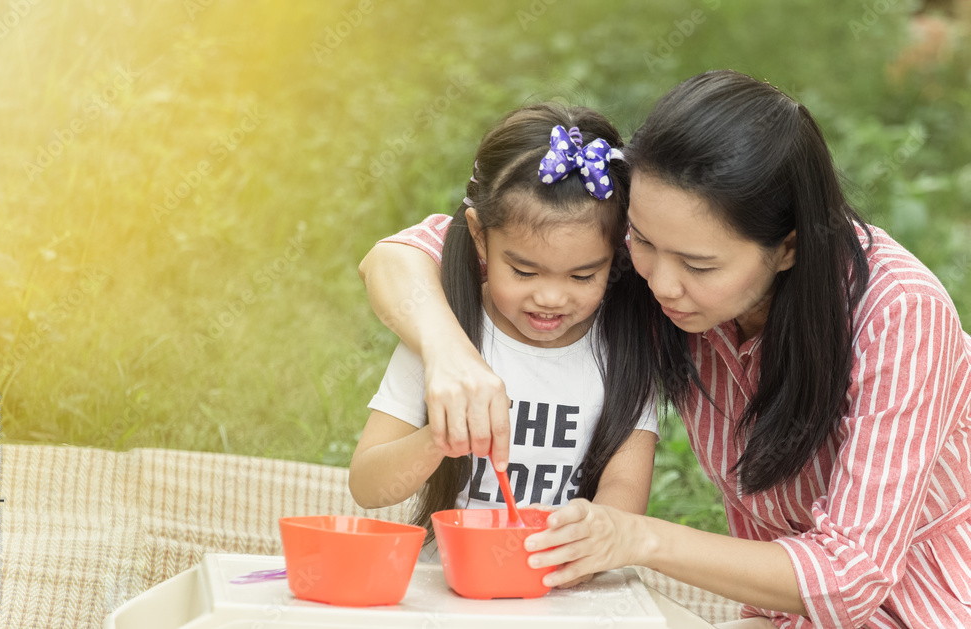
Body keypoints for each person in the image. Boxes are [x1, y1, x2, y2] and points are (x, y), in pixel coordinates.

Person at [357, 70, 971, 628]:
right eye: (642, 240)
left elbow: (850, 578)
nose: (659, 282)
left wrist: (635, 537)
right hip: (783, 614)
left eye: (699, 265)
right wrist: (451, 356)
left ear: (788, 248)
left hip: (931, 605)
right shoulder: (631, 265)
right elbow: (399, 256)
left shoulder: (897, 314)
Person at [349, 103, 660, 557]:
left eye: (582, 276)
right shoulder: (446, 328)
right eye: (524, 271)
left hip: (567, 582)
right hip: (452, 579)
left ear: (618, 255)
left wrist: (592, 534)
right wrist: (438, 439)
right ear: (479, 237)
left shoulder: (624, 347)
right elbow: (368, 484)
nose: (552, 298)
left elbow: (625, 488)